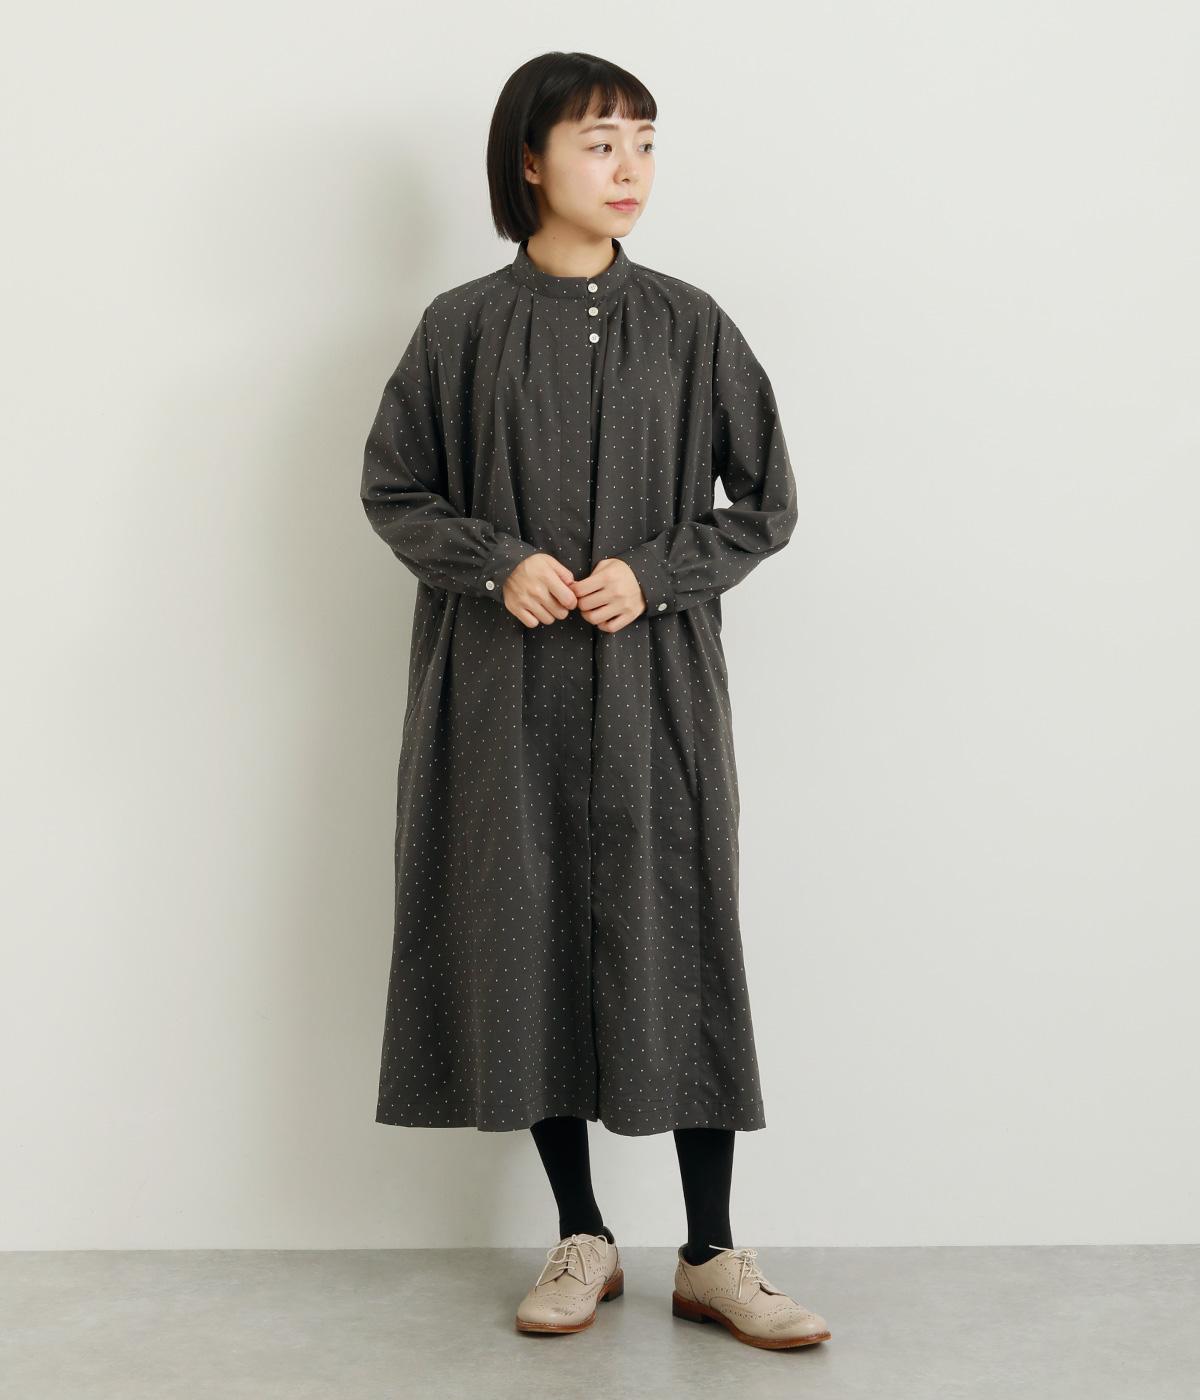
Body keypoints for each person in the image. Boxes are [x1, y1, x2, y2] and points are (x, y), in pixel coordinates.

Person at [359, 51, 831, 1350]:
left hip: (654, 688)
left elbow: (768, 500)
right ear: (530, 162)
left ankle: (713, 1253)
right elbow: (396, 487)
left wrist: (659, 572)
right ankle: (582, 1235)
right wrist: (496, 562)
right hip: (501, 693)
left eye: (645, 142)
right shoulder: (461, 327)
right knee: (527, 932)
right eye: (599, 142)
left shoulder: (690, 323)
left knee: (682, 931)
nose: (629, 168)